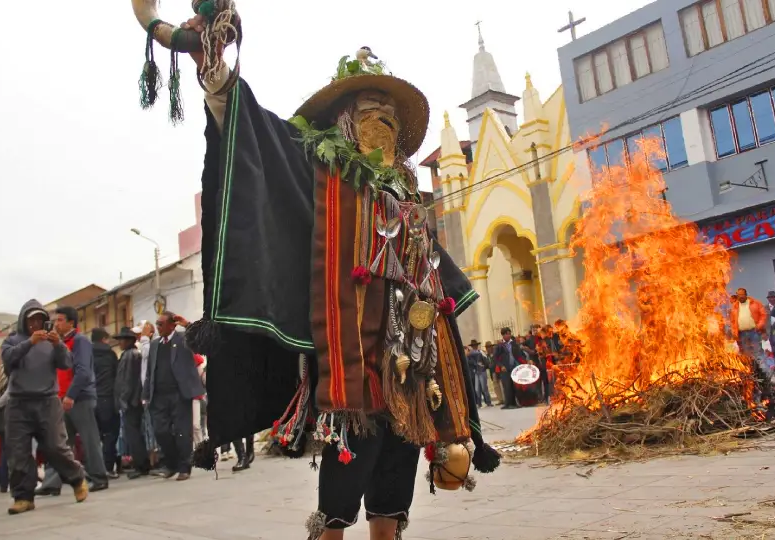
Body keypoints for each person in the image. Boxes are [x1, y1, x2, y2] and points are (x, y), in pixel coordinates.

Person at [170, 10, 498, 540]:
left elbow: (438, 288)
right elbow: (260, 140)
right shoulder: (324, 178)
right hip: (354, 374)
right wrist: (216, 74)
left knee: (394, 496)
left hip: (413, 376)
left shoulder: (409, 202)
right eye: (370, 112)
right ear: (343, 121)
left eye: (390, 117)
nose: (382, 123)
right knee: (341, 499)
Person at [1, 300, 88, 515]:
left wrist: (58, 344)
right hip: (18, 403)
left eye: (40, 319)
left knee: (55, 447)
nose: (36, 324)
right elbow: (8, 360)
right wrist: (29, 342)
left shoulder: (52, 341)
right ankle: (23, 497)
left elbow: (67, 363)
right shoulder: (12, 340)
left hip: (47, 401)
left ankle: (77, 478)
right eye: (31, 320)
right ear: (24, 321)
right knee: (18, 452)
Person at [37, 308, 109, 494]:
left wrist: (71, 394)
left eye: (60, 320)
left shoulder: (79, 341)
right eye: (56, 320)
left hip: (79, 398)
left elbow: (83, 371)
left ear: (71, 323)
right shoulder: (58, 343)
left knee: (88, 439)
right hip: (60, 398)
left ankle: (99, 477)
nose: (57, 323)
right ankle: (52, 483)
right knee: (58, 443)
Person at [142, 312, 203, 481]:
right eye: (157, 324)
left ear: (172, 325)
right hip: (159, 396)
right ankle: (171, 463)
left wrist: (187, 324)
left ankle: (184, 467)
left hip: (179, 394)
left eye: (161, 324)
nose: (158, 327)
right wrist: (145, 394)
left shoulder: (183, 339)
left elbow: (201, 338)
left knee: (183, 432)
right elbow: (150, 372)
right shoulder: (155, 345)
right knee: (160, 431)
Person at [113, 327, 148, 479]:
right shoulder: (131, 354)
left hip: (131, 402)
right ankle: (142, 463)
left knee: (133, 434)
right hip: (133, 400)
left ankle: (141, 465)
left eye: (121, 339)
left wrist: (123, 400)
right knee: (134, 433)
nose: (119, 342)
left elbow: (127, 381)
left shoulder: (129, 356)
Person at [90, 328, 121, 479]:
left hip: (91, 398)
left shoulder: (87, 354)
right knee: (110, 434)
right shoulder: (110, 354)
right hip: (107, 398)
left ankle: (94, 468)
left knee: (94, 436)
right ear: (103, 339)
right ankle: (108, 467)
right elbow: (117, 376)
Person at [729, 288, 769, 371]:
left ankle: (764, 371)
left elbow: (763, 315)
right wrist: (734, 331)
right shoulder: (735, 306)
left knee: (758, 351)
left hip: (754, 331)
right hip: (741, 333)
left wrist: (759, 325)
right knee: (745, 354)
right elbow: (732, 321)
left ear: (746, 294)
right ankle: (750, 371)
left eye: (742, 294)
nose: (741, 297)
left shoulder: (755, 303)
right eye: (739, 295)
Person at [492, 328, 525, 410]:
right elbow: (495, 358)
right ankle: (508, 403)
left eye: (509, 333)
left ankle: (516, 402)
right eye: (506, 334)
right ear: (503, 335)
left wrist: (525, 362)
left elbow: (519, 355)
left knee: (515, 386)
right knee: (507, 386)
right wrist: (501, 366)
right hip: (505, 369)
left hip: (514, 368)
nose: (508, 335)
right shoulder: (499, 346)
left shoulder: (514, 344)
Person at [466, 340, 492, 407]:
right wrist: (476, 364)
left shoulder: (480, 352)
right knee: (477, 389)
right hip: (476, 372)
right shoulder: (471, 354)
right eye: (473, 345)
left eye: (475, 345)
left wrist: (484, 366)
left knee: (484, 388)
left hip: (482, 371)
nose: (474, 346)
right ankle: (479, 403)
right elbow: (469, 361)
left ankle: (488, 402)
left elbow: (486, 361)